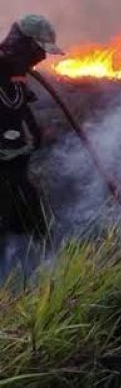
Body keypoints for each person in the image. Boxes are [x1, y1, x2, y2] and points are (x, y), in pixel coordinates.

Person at [0, 15, 64, 240]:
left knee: (30, 221)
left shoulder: (12, 72)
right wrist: (18, 78)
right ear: (24, 45)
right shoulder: (5, 72)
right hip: (5, 172)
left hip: (15, 170)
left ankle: (43, 255)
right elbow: (11, 105)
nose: (43, 57)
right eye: (39, 50)